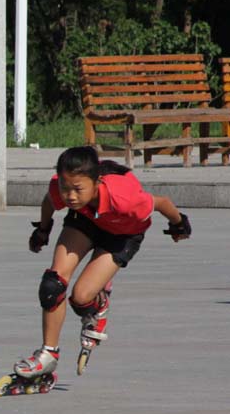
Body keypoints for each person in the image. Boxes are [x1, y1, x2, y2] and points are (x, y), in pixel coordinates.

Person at [15, 146, 190, 379]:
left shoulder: (124, 199)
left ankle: (97, 305)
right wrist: (43, 230)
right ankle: (48, 355)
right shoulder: (63, 185)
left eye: (78, 189)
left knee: (80, 298)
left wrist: (179, 224)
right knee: (52, 285)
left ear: (97, 182)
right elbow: (50, 200)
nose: (70, 196)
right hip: (85, 221)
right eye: (65, 189)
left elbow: (161, 202)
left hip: (123, 235)